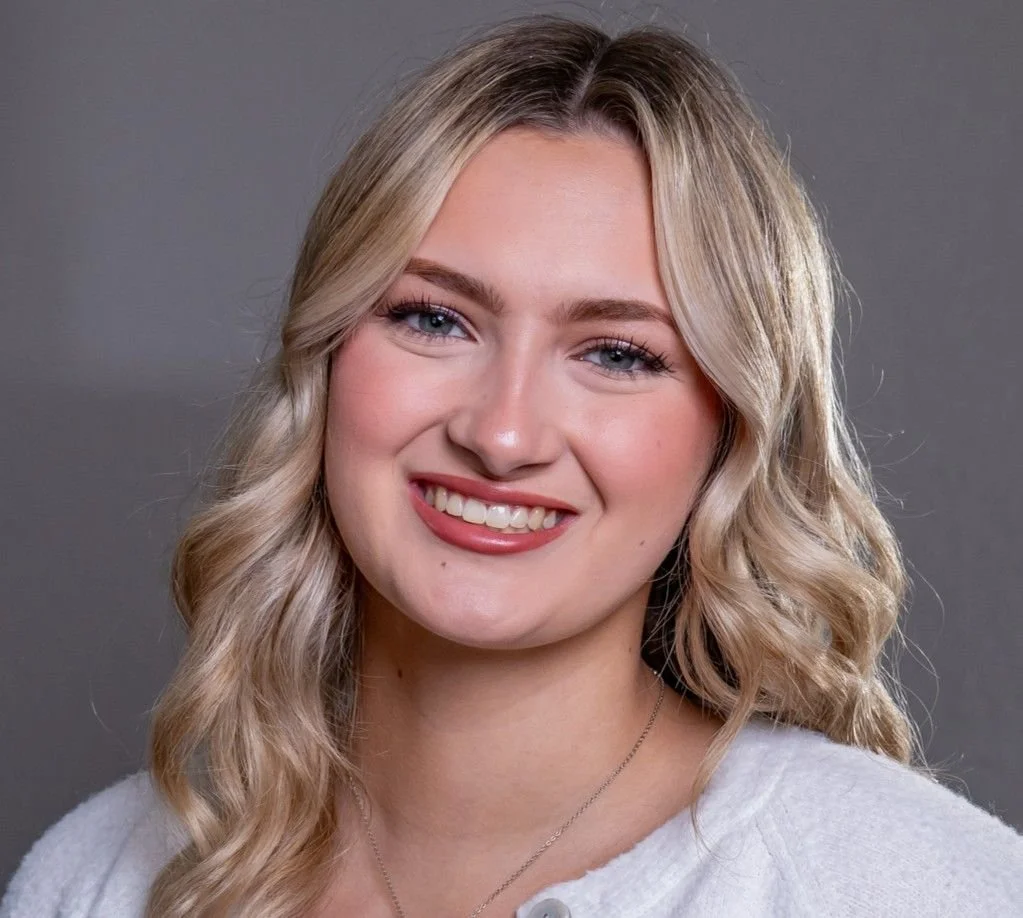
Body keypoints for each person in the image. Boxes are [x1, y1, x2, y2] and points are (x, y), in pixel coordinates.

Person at [2, 15, 1020, 918]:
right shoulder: (103, 878)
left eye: (618, 353)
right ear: (322, 362)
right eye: (434, 319)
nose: (502, 434)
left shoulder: (897, 884)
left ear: (731, 434)